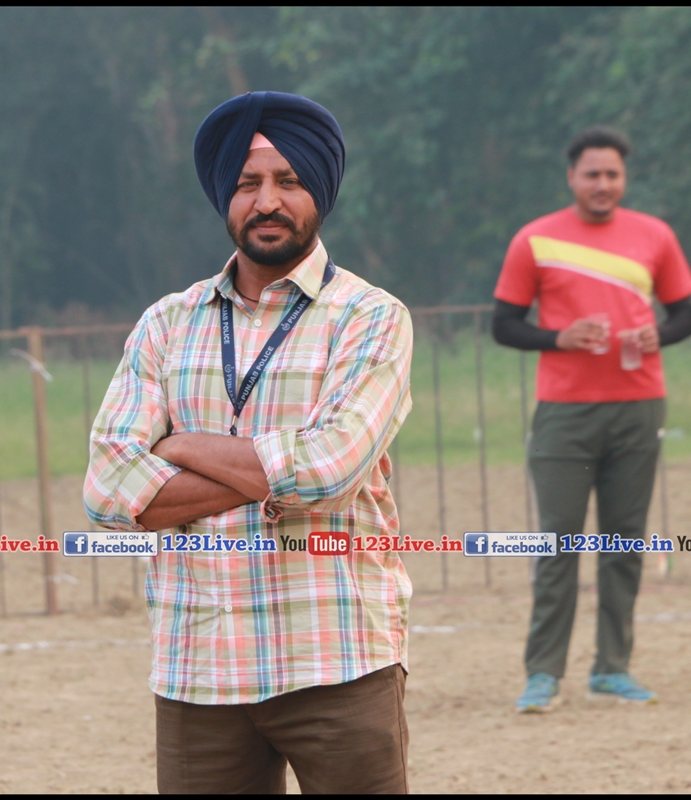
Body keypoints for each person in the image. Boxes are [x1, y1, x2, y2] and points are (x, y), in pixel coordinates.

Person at [84, 92, 414, 793]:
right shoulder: (167, 323)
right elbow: (109, 491)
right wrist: (272, 472)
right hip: (198, 666)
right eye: (246, 183)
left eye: (288, 181)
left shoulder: (370, 318)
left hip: (336, 657)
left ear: (319, 191)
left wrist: (180, 446)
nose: (267, 201)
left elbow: (328, 474)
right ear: (223, 198)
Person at [491, 127, 691, 713]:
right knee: (557, 543)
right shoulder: (534, 239)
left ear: (623, 179)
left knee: (623, 542)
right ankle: (543, 674)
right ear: (572, 177)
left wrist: (660, 333)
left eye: (612, 174)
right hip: (564, 412)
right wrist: (558, 337)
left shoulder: (655, 235)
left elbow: (687, 315)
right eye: (592, 174)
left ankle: (612, 668)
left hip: (639, 404)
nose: (603, 184)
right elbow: (503, 325)